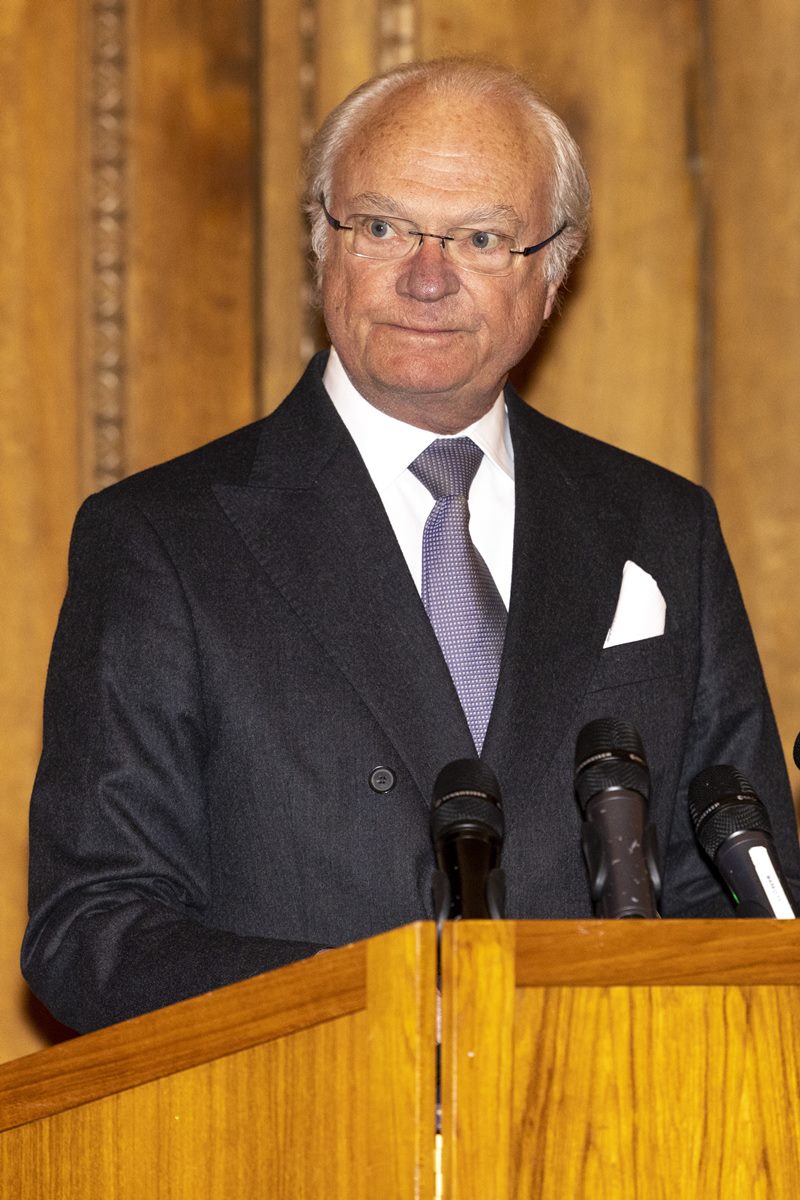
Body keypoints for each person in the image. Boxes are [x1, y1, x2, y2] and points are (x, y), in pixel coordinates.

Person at [22, 58, 800, 1033]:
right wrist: (384, 1009)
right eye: (383, 227)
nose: (425, 278)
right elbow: (92, 929)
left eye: (479, 237)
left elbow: (742, 906)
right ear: (322, 246)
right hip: (292, 1144)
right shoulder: (164, 541)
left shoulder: (656, 528)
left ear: (552, 272)